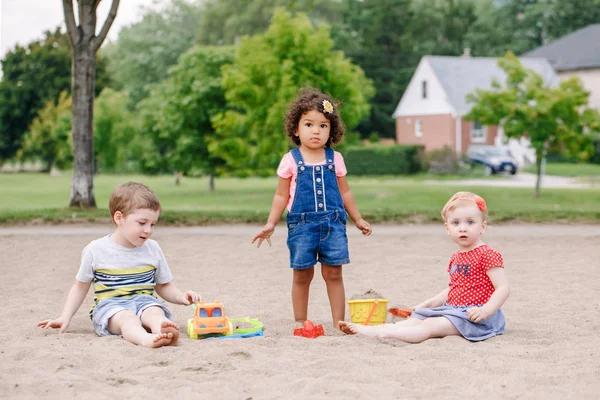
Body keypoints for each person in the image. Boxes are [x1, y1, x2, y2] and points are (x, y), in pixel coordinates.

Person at [251, 88, 372, 328]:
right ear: (296, 129)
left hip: (333, 225)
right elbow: (280, 195)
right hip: (301, 226)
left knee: (334, 273)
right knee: (302, 274)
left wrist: (357, 219)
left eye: (323, 126)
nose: (316, 131)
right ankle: (300, 321)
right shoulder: (290, 160)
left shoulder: (335, 158)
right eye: (309, 124)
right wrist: (270, 223)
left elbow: (345, 192)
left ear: (331, 130)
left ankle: (339, 322)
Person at [38, 182, 199, 348]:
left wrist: (180, 297)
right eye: (142, 223)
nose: (148, 230)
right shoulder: (95, 250)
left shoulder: (153, 248)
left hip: (145, 301)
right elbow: (80, 287)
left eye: (153, 224)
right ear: (119, 218)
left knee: (154, 312)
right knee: (127, 319)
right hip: (111, 307)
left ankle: (162, 328)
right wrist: (65, 317)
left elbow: (163, 285)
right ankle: (144, 339)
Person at [339, 191, 509, 343]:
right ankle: (372, 330)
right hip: (452, 311)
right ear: (447, 229)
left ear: (483, 227)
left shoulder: (487, 254)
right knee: (414, 319)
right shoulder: (457, 256)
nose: (463, 228)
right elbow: (454, 289)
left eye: (470, 222)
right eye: (456, 223)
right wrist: (426, 304)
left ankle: (384, 335)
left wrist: (485, 311)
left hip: (476, 317)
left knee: (430, 325)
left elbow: (502, 288)